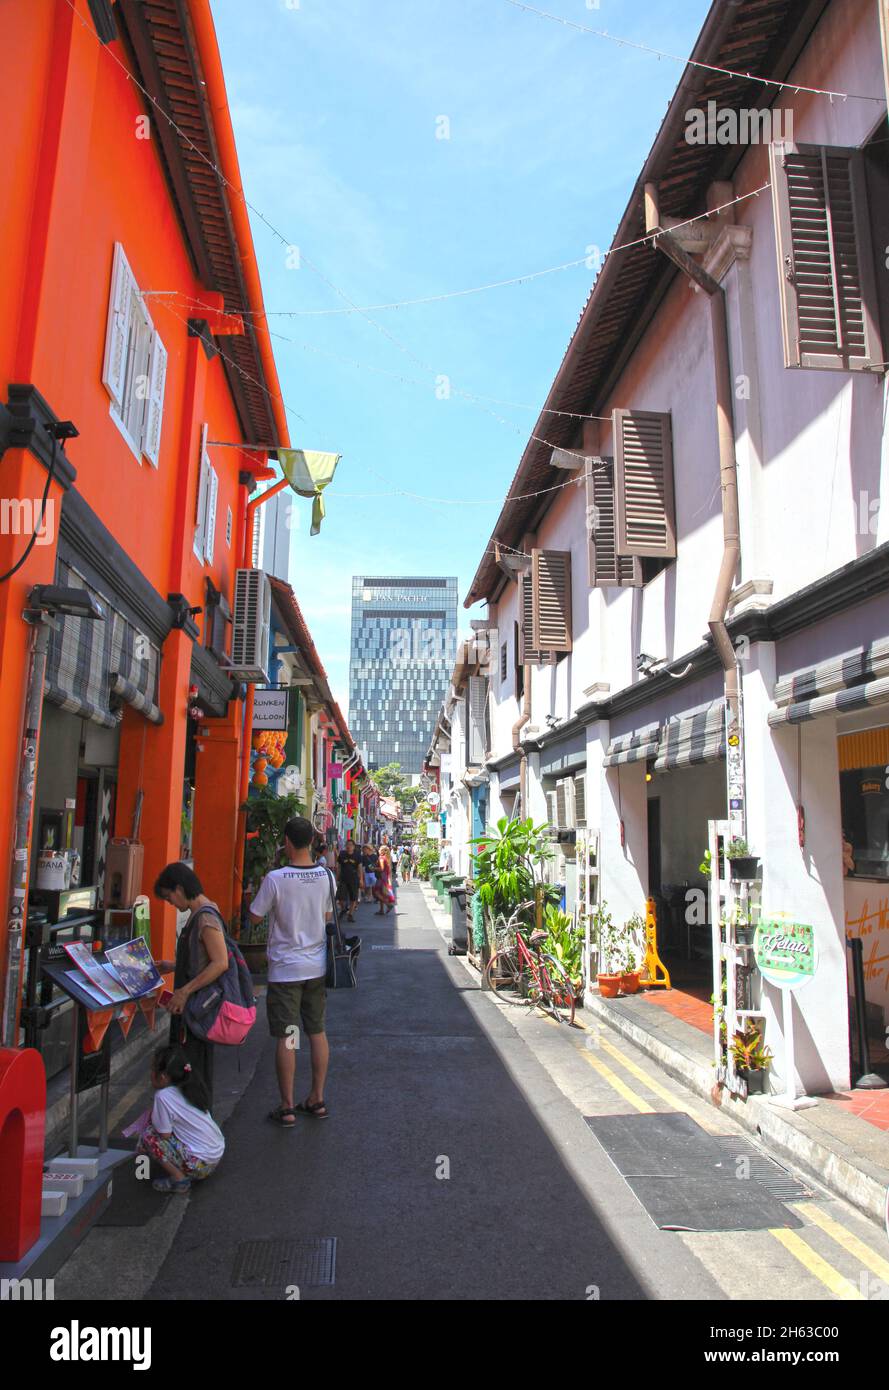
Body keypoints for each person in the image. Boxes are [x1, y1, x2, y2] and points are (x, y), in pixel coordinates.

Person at [249, 816, 333, 1127]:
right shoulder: (325, 876)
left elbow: (255, 917)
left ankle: (286, 1106)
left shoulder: (275, 878)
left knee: (289, 1036)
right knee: (316, 1031)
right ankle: (317, 1098)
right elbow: (326, 916)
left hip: (285, 970)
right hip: (316, 966)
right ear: (311, 841)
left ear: (286, 842)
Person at [154, 862, 229, 1109]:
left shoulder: (205, 917)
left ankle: (198, 1130)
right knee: (188, 1071)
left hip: (198, 1011)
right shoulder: (200, 914)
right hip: (193, 1010)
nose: (171, 904)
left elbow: (219, 962)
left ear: (179, 888)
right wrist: (173, 965)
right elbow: (203, 959)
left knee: (193, 1073)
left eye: (169, 897)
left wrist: (185, 991)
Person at [138, 1044, 224, 1194]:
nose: (150, 1074)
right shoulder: (190, 1087)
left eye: (153, 1070)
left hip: (200, 1165)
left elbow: (164, 1134)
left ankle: (179, 1179)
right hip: (215, 1155)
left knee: (148, 1135)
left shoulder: (163, 1096)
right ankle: (179, 1168)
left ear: (163, 1077)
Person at [338, 837, 362, 922]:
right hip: (343, 878)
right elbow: (339, 866)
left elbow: (359, 868)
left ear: (354, 847)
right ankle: (343, 909)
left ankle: (350, 914)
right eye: (347, 845)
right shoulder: (342, 854)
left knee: (353, 897)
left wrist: (361, 879)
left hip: (353, 879)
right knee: (340, 897)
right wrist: (337, 876)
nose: (348, 846)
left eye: (350, 845)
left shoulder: (357, 855)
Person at [374, 845, 396, 915]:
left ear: (383, 851)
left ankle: (388, 905)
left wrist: (374, 868)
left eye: (380, 849)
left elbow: (382, 868)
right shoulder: (387, 858)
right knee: (381, 893)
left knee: (377, 892)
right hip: (384, 877)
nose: (378, 850)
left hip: (381, 877)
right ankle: (381, 909)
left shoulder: (381, 858)